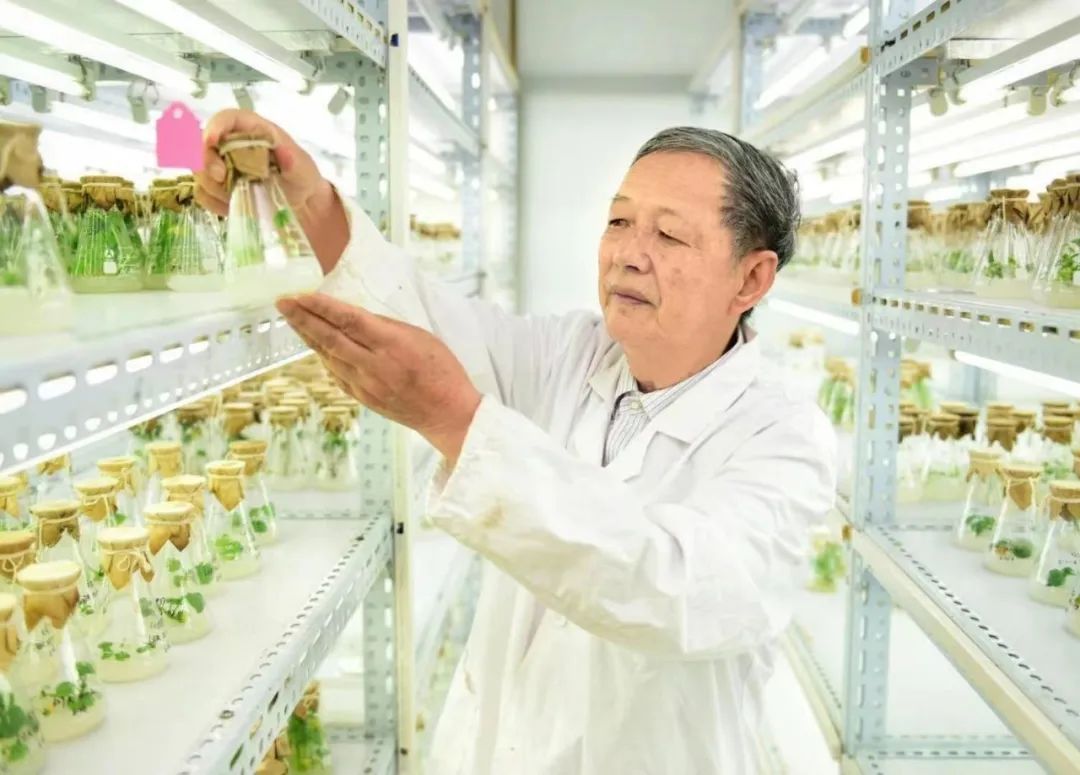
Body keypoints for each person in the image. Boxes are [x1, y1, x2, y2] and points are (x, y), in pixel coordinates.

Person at [196, 111, 836, 774]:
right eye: (619, 221)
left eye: (669, 233)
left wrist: (458, 422)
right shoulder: (568, 354)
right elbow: (421, 317)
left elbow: (678, 589)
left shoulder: (783, 436)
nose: (628, 252)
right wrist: (306, 200)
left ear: (751, 279)